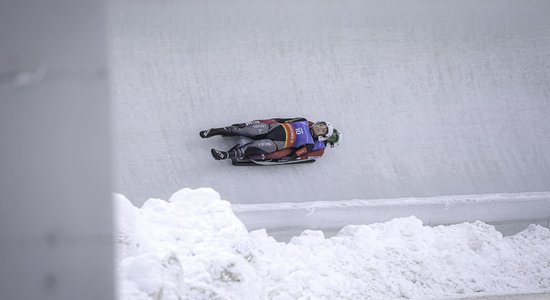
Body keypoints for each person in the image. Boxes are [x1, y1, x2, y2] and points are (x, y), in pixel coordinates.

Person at [200, 117, 341, 162]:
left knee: (252, 147)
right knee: (242, 129)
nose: (319, 128)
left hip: (277, 144)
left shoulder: (310, 144)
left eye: (322, 130)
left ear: (322, 136)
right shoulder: (303, 120)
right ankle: (214, 131)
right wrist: (263, 121)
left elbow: (296, 153)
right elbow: (282, 119)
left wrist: (282, 158)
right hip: (271, 129)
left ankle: (225, 155)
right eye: (321, 125)